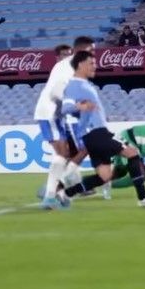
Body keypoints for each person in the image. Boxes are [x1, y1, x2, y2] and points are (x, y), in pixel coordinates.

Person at [53, 51, 145, 208]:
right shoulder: (74, 85)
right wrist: (81, 106)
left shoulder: (84, 85)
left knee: (104, 176)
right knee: (132, 153)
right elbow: (65, 108)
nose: (95, 66)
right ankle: (143, 198)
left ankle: (65, 193)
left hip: (93, 136)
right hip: (96, 134)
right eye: (91, 63)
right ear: (80, 65)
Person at [34, 38, 94, 209]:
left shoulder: (71, 65)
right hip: (49, 111)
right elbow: (55, 91)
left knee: (66, 153)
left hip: (56, 113)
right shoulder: (68, 67)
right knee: (62, 153)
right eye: (91, 51)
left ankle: (56, 193)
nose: (93, 55)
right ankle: (50, 195)